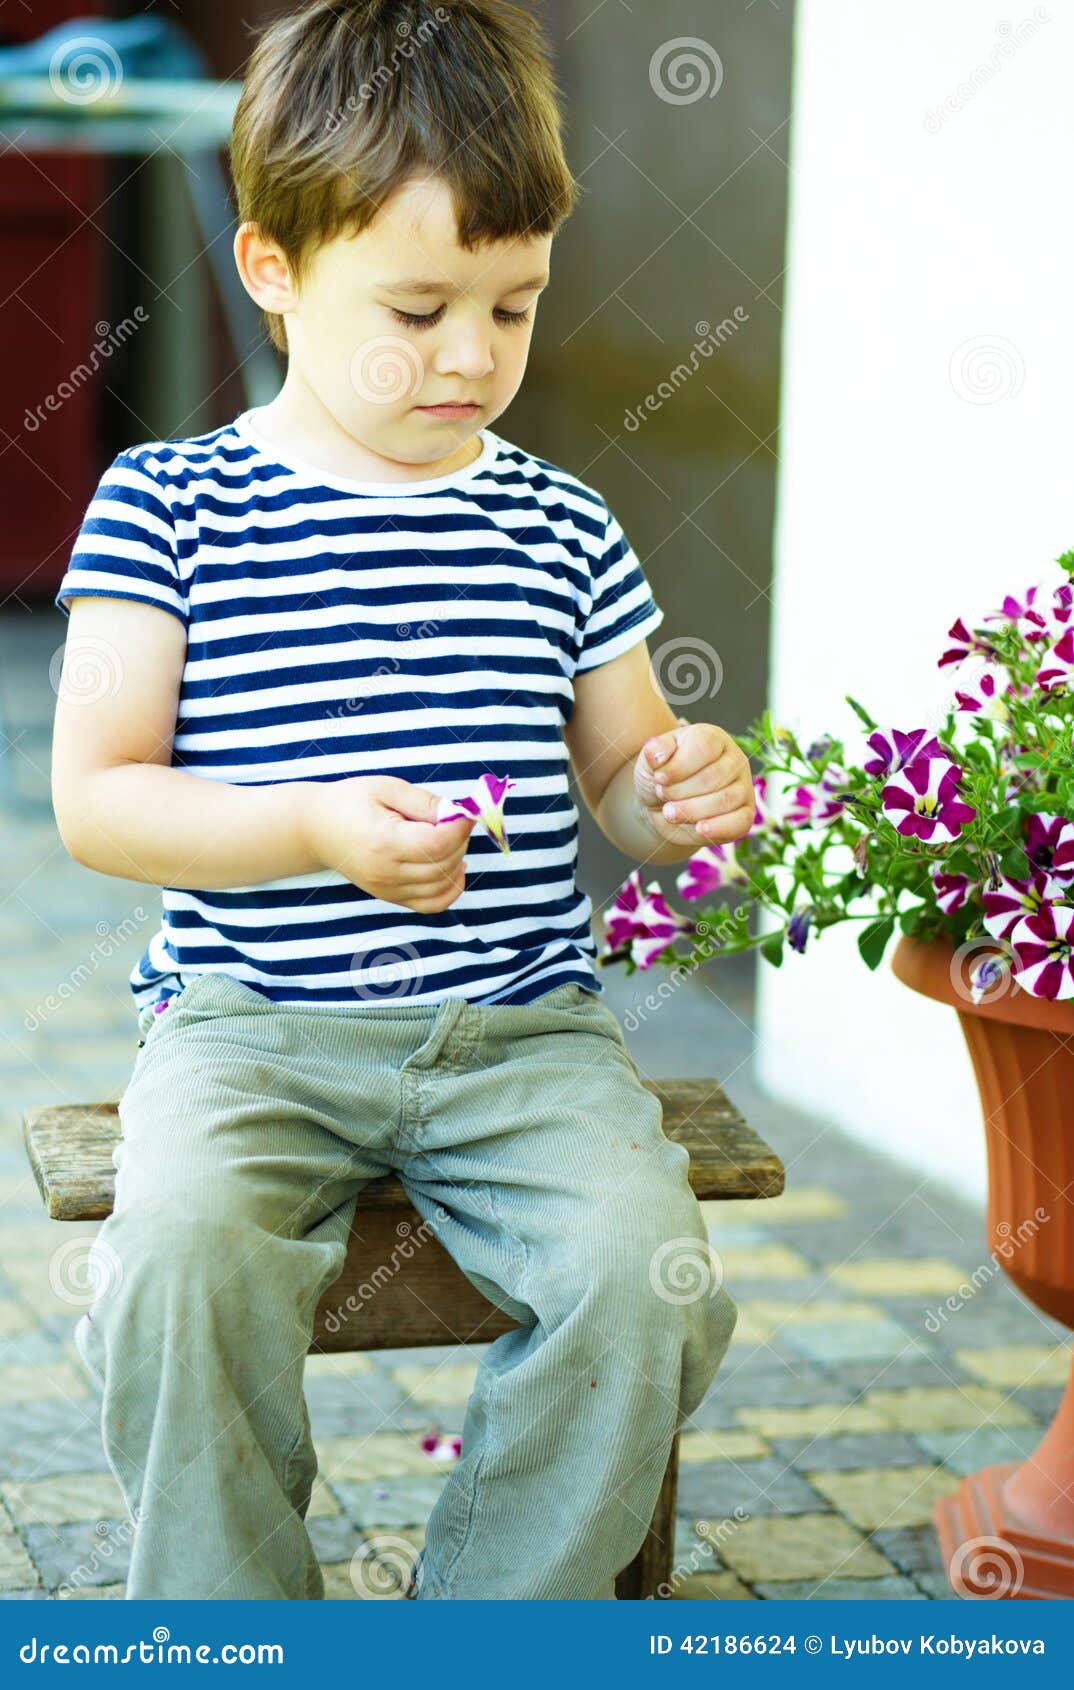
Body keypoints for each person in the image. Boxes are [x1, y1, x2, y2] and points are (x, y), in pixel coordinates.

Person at [49, 0, 752, 1601]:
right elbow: (99, 800)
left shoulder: (558, 522)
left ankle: (490, 1619)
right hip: (251, 1027)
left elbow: (621, 787)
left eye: (511, 309)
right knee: (171, 1267)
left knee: (644, 1288)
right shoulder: (168, 502)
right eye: (421, 306)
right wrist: (309, 828)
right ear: (274, 268)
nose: (470, 357)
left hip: (522, 1038)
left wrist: (678, 789)